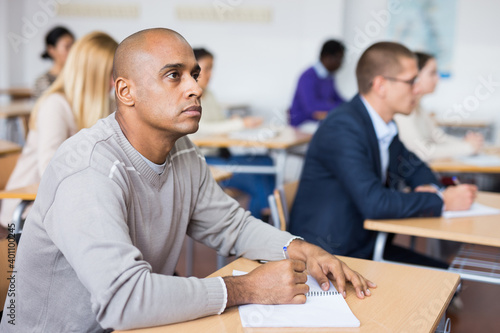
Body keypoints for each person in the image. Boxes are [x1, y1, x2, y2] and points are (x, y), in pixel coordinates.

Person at [0, 28, 375, 332]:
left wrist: (299, 247)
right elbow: (123, 301)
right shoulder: (88, 170)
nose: (195, 87)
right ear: (125, 91)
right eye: (173, 75)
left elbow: (230, 224)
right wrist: (247, 288)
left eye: (194, 74)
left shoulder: (182, 152)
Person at [289, 42, 477, 266]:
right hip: (330, 256)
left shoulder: (383, 125)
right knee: (448, 279)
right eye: (410, 82)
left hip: (365, 245)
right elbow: (374, 202)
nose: (417, 89)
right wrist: (441, 201)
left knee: (451, 275)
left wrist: (429, 186)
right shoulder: (343, 127)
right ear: (381, 85)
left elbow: (414, 166)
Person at [0, 32, 118, 228]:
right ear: (92, 74)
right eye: (110, 74)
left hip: (69, 201)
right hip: (29, 206)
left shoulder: (107, 105)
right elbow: (50, 172)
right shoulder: (56, 105)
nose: (115, 82)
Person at [191, 47, 273, 219]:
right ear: (194, 69)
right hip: (205, 162)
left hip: (221, 155)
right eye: (207, 69)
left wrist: (234, 122)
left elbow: (221, 123)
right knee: (257, 179)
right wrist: (238, 123)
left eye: (212, 68)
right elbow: (201, 128)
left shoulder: (210, 95)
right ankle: (265, 218)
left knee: (267, 162)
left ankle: (266, 214)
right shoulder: (188, 96)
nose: (211, 74)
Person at [394, 52, 484, 162]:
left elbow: (437, 137)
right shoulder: (403, 109)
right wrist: (467, 147)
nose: (438, 78)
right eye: (432, 73)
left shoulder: (418, 107)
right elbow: (420, 152)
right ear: (414, 76)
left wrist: (467, 143)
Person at [289, 39, 346, 130]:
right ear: (327, 57)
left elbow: (337, 98)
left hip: (319, 122)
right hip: (303, 124)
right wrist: (337, 106)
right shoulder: (308, 77)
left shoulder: (329, 76)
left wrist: (351, 105)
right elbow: (311, 107)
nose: (341, 64)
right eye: (339, 59)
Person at [33, 26, 75, 100]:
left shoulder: (77, 76)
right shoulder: (43, 81)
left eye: (73, 46)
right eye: (67, 47)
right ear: (51, 50)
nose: (72, 50)